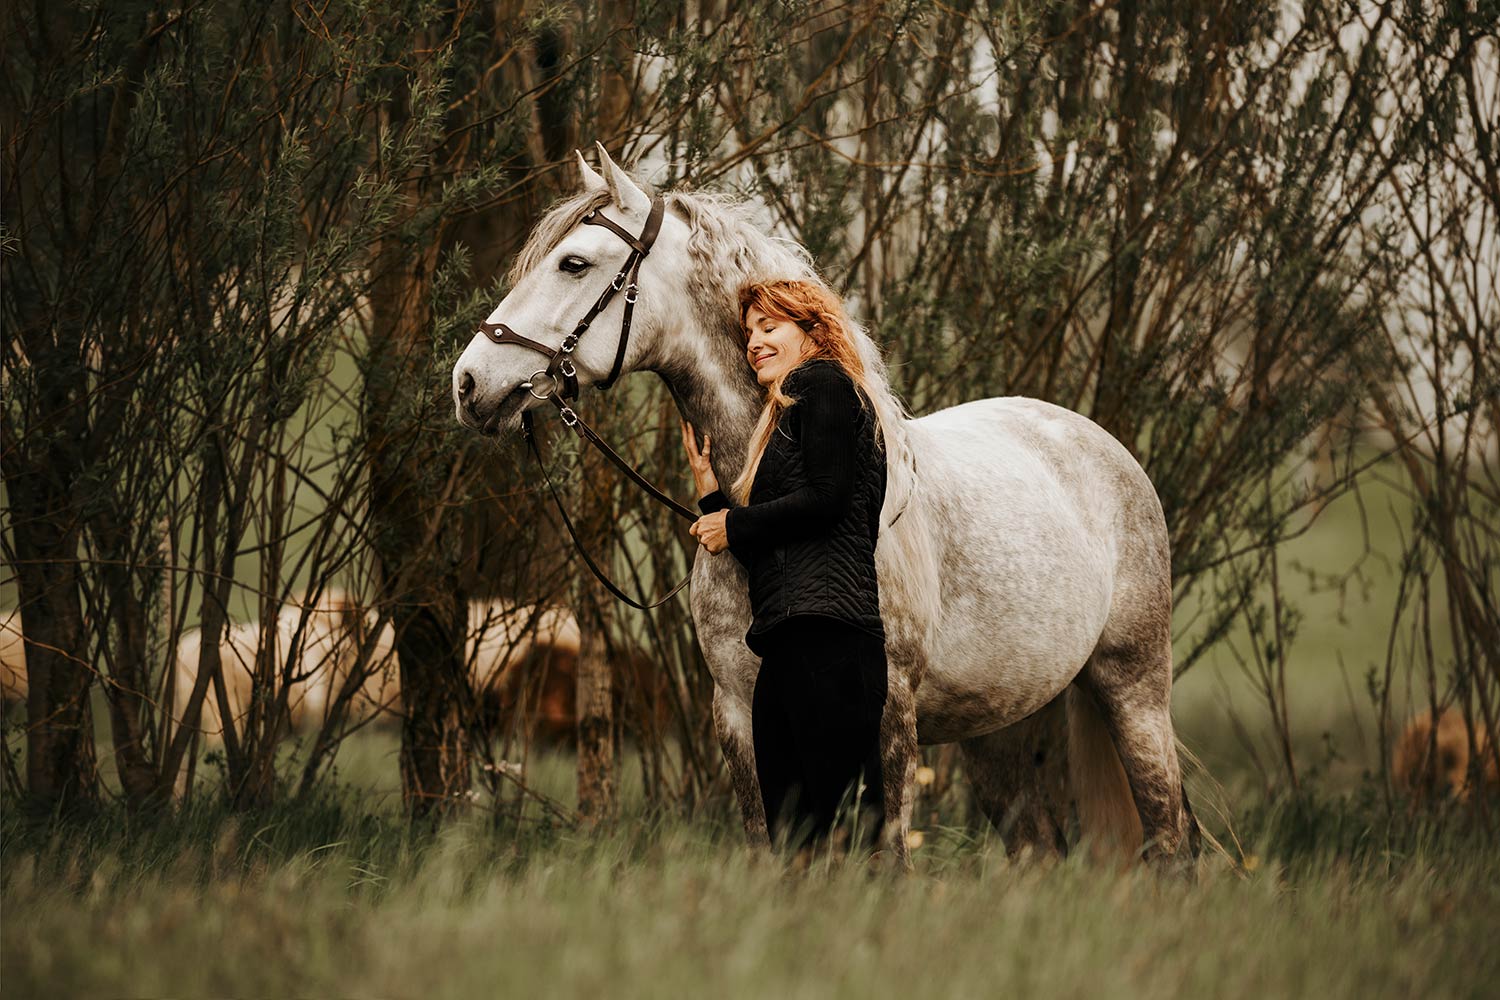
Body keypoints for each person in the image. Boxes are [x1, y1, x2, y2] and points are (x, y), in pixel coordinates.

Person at [681, 277, 890, 852]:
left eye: (769, 328)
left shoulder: (824, 383)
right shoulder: (786, 416)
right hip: (791, 642)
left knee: (848, 841)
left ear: (812, 332)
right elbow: (773, 554)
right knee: (795, 843)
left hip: (831, 640)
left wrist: (735, 522)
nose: (753, 342)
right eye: (749, 333)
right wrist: (712, 500)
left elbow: (827, 499)